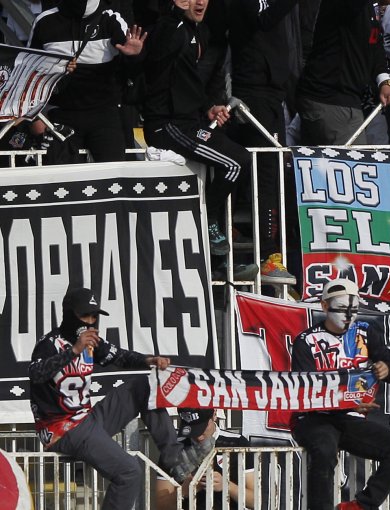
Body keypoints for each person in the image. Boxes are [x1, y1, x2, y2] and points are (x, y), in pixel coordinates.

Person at [29, 287, 204, 510]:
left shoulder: (92, 342)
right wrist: (74, 350)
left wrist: (149, 360)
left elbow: (119, 356)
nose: (91, 322)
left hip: (88, 419)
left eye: (94, 317)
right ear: (69, 314)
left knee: (145, 386)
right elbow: (36, 374)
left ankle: (174, 461)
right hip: (62, 429)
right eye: (85, 316)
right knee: (129, 471)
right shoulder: (49, 343)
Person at [290, 278, 390, 510]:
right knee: (325, 450)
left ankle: (361, 506)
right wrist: (345, 403)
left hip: (348, 418)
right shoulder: (306, 341)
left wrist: (387, 368)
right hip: (313, 417)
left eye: (354, 310)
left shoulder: (366, 332)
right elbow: (306, 391)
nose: (348, 317)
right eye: (341, 309)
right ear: (324, 306)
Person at [141, 0, 251, 257]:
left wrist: (208, 107)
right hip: (167, 125)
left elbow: (186, 81)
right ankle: (208, 220)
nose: (201, 2)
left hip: (189, 121)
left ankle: (219, 258)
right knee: (235, 162)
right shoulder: (167, 28)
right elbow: (153, 62)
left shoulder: (198, 31)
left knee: (238, 161)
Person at [228, 0, 301, 283]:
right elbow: (263, 18)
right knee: (265, 173)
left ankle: (269, 253)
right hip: (249, 90)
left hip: (275, 92)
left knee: (272, 173)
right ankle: (266, 255)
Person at [28, 0, 146, 162]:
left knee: (113, 179)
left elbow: (133, 74)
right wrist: (36, 117)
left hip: (104, 114)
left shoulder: (111, 19)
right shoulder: (44, 21)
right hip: (60, 116)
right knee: (62, 181)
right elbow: (29, 74)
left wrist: (134, 57)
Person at [296, 0, 390, 145]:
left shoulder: (369, 7)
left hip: (339, 99)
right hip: (331, 98)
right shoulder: (346, 4)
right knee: (357, 164)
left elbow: (375, 44)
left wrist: (384, 81)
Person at [156, 408, 256, 510]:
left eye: (202, 428)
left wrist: (226, 485)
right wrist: (185, 491)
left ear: (214, 414)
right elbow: (160, 505)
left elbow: (255, 501)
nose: (199, 437)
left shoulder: (237, 443)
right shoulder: (173, 448)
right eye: (192, 430)